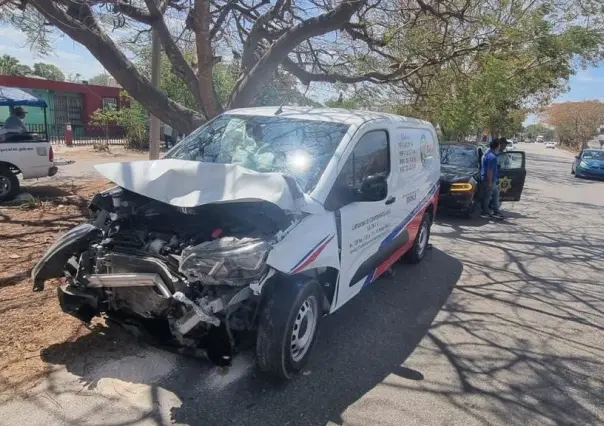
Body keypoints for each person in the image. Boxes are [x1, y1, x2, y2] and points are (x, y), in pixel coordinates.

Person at [481, 138, 504, 219]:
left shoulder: (488, 154)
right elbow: (489, 171)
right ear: (497, 146)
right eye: (499, 144)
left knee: (495, 195)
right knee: (488, 196)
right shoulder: (492, 157)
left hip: (488, 179)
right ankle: (485, 212)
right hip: (489, 180)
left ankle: (495, 211)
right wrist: (489, 182)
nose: (500, 146)